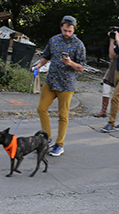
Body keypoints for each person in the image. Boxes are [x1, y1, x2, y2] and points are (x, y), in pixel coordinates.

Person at [35, 15, 87, 157]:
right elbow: (46, 55)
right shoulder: (54, 40)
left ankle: (59, 144)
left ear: (74, 29)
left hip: (66, 84)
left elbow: (82, 67)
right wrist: (39, 65)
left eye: (70, 31)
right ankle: (47, 139)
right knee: (41, 108)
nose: (67, 33)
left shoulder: (78, 44)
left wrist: (70, 63)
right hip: (51, 81)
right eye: (65, 30)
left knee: (63, 115)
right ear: (61, 28)